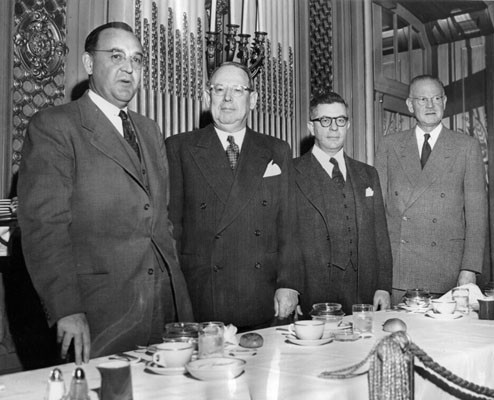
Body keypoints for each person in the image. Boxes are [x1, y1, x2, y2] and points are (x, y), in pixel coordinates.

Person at [17, 22, 193, 364]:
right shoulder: (55, 126)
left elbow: (160, 218)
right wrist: (66, 308)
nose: (129, 68)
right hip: (100, 314)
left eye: (137, 59)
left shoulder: (149, 129)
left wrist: (180, 301)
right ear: (88, 64)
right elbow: (44, 228)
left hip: (165, 310)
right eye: (116, 56)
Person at [165, 62, 301, 331]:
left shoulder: (276, 150)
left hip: (262, 295)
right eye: (219, 89)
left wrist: (289, 283)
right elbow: (171, 229)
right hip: (202, 297)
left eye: (238, 90)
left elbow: (289, 225)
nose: (227, 98)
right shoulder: (179, 147)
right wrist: (176, 297)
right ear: (206, 97)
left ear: (253, 100)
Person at [375, 75, 487, 304]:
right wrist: (380, 278)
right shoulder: (390, 145)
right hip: (399, 272)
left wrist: (469, 269)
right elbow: (377, 213)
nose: (430, 105)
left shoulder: (466, 147)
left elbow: (477, 215)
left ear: (444, 102)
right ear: (410, 105)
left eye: (436, 98)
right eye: (422, 99)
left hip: (448, 272)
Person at [293, 91, 392, 316]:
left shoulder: (368, 174)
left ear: (347, 125)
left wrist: (383, 286)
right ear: (311, 127)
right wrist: (293, 288)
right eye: (325, 121)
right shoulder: (292, 172)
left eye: (340, 120)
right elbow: (284, 240)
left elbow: (380, 236)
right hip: (314, 292)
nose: (334, 128)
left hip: (363, 292)